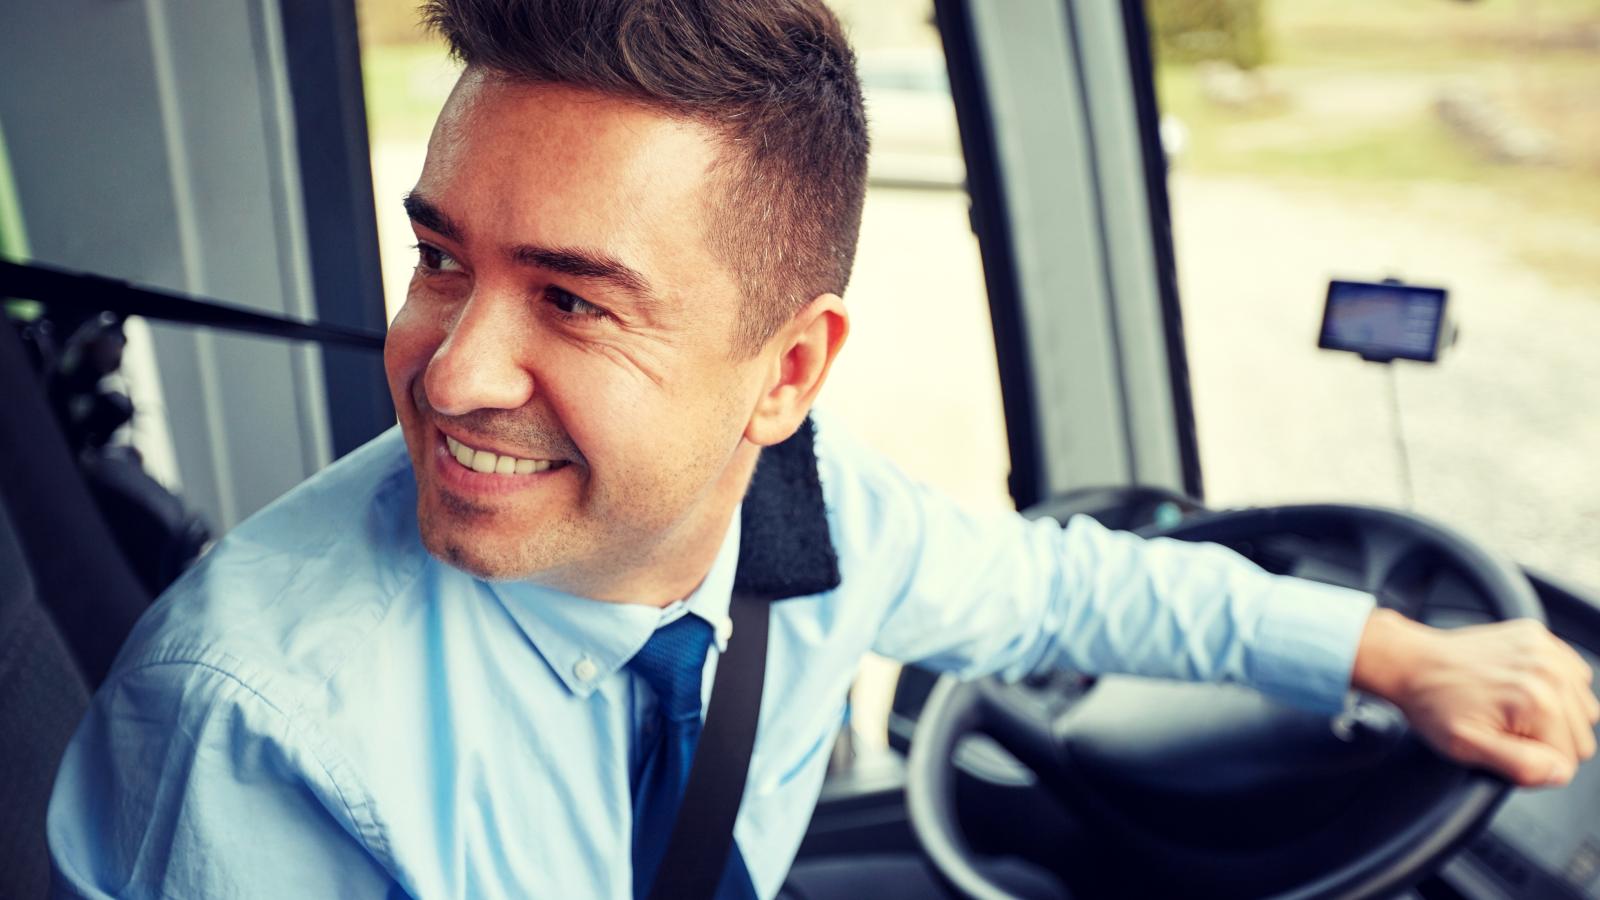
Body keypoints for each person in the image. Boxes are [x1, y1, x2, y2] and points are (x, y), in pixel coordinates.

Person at [47, 1, 1599, 897]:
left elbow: (1068, 594)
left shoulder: (808, 511)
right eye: (441, 257)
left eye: (572, 299)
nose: (449, 374)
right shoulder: (267, 729)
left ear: (785, 374)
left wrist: (1397, 657)